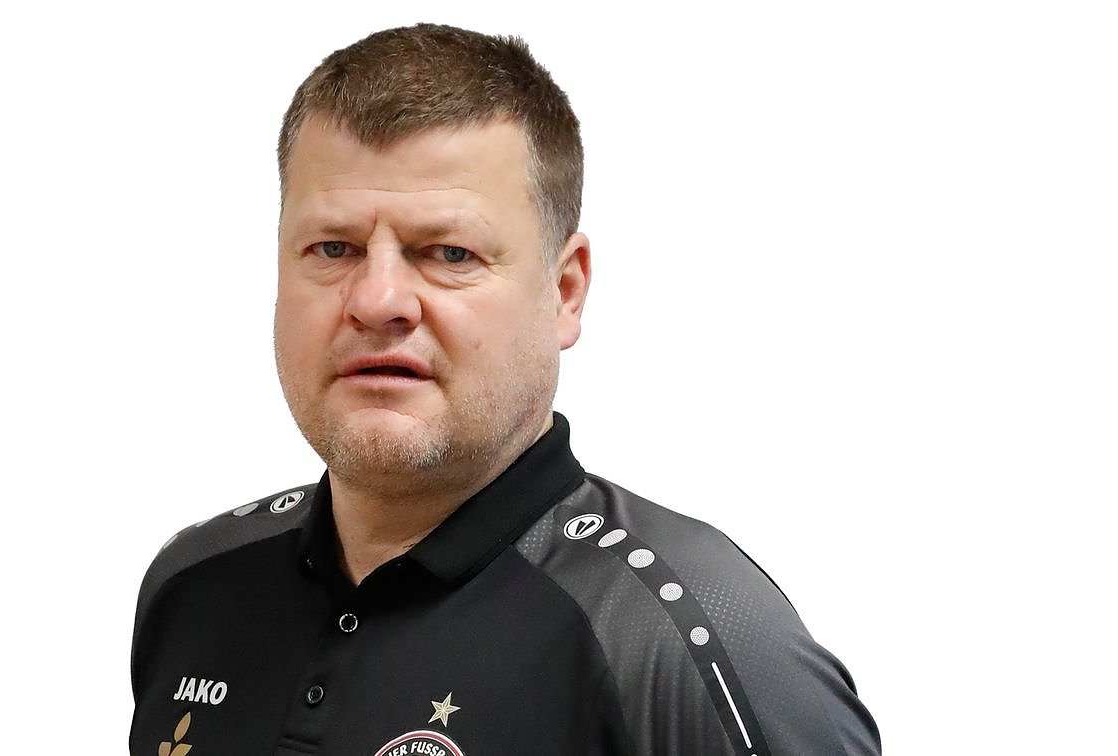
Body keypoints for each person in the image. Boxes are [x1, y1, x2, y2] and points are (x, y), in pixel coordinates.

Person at [130, 22, 880, 756]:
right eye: (333, 248)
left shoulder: (687, 643)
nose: (378, 300)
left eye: (449, 253)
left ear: (565, 291)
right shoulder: (194, 586)